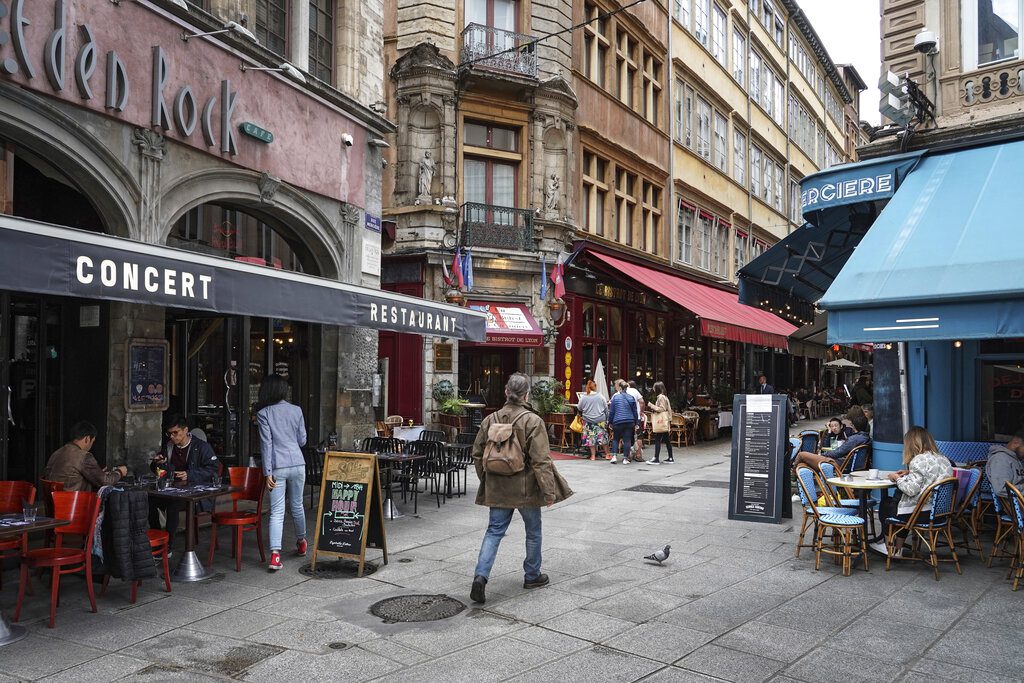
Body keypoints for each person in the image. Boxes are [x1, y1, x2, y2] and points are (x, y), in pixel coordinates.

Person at [470, 373, 572, 604]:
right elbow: (541, 461)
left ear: (506, 392)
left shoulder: (490, 419)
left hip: (497, 488)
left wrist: (486, 479)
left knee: (494, 531)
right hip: (525, 488)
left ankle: (480, 576)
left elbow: (477, 454)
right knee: (533, 531)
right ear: (526, 395)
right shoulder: (532, 421)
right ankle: (532, 575)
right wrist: (549, 491)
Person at [870, 426, 953, 556]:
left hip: (922, 513)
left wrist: (897, 478)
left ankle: (890, 548)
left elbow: (911, 490)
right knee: (899, 504)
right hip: (939, 513)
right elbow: (932, 476)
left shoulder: (918, 460)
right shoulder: (944, 459)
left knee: (887, 504)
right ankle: (898, 547)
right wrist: (909, 473)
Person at [257, 375, 309, 572]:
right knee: (297, 505)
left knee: (277, 511)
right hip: (297, 462)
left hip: (277, 465)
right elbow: (302, 440)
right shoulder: (296, 410)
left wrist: (267, 472)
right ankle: (302, 541)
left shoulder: (264, 413)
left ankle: (275, 555)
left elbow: (266, 444)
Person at [149, 416, 220, 553]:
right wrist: (157, 464)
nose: (172, 436)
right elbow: (159, 471)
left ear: (186, 430)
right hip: (172, 490)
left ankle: (168, 546)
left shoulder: (201, 446)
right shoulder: (169, 446)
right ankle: (159, 540)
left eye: (176, 433)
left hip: (196, 494)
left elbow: (213, 468)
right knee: (149, 500)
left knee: (173, 505)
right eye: (169, 433)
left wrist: (190, 474)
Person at [42, 421, 127, 492]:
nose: (91, 445)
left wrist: (98, 473)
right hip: (74, 505)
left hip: (54, 505)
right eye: (92, 441)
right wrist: (119, 472)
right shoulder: (83, 456)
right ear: (87, 439)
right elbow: (105, 482)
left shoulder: (57, 453)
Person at [793, 415, 871, 472]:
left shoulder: (854, 439)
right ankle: (801, 479)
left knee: (801, 455)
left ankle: (793, 476)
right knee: (802, 465)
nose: (834, 428)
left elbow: (838, 453)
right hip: (847, 463)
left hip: (839, 464)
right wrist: (829, 432)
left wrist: (821, 455)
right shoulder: (865, 438)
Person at [577, 380, 611, 461]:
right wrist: (607, 418)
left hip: (588, 420)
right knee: (603, 437)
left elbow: (579, 408)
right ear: (595, 387)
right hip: (600, 420)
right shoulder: (600, 396)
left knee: (591, 438)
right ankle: (607, 454)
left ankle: (593, 456)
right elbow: (606, 409)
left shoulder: (584, 397)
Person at [608, 379, 639, 465]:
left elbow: (612, 412)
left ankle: (614, 456)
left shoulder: (615, 398)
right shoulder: (631, 398)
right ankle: (625, 458)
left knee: (616, 439)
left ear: (620, 388)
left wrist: (610, 422)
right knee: (627, 439)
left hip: (617, 420)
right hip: (629, 421)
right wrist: (636, 423)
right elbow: (635, 412)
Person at [985, 432, 1024, 499]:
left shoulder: (1015, 459)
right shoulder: (1000, 459)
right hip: (1016, 505)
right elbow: (1001, 489)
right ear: (1016, 442)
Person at [646, 382, 674, 464]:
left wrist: (651, 405)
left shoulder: (661, 397)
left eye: (654, 387)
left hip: (661, 421)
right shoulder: (664, 396)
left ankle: (656, 458)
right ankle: (670, 457)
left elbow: (661, 409)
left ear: (657, 388)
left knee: (658, 439)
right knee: (667, 440)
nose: (653, 389)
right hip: (665, 420)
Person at [626, 380, 646, 453]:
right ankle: (638, 454)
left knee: (627, 436)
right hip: (636, 417)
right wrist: (641, 411)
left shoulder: (622, 392)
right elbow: (642, 402)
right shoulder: (635, 391)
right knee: (638, 436)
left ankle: (628, 455)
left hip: (627, 418)